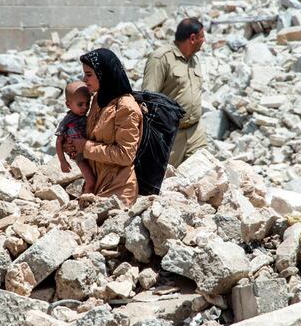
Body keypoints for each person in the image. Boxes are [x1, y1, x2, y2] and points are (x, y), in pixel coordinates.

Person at [65, 48, 142, 206]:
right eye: (84, 74)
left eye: (89, 74)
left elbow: (125, 155)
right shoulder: (97, 99)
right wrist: (73, 144)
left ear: (103, 73)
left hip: (118, 191)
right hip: (97, 185)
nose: (84, 80)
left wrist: (85, 146)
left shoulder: (126, 107)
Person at [142, 17, 208, 167]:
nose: (204, 40)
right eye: (202, 36)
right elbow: (148, 99)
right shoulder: (160, 58)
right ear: (192, 38)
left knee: (203, 174)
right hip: (171, 136)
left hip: (195, 132)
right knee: (168, 181)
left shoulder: (194, 59)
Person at [56, 81, 96, 194]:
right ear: (68, 105)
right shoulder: (67, 120)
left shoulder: (85, 116)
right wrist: (62, 161)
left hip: (90, 150)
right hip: (79, 155)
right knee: (91, 180)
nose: (85, 107)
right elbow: (59, 141)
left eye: (87, 103)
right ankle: (86, 199)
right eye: (80, 104)